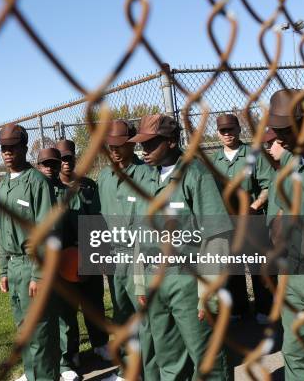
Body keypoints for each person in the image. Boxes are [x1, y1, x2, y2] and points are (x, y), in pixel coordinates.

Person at [130, 114, 230, 380]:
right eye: (142, 144)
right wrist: (141, 282)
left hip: (187, 279)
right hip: (154, 279)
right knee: (168, 358)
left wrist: (207, 292)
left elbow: (216, 236)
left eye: (152, 143)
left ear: (172, 142)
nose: (144, 150)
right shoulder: (147, 176)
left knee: (206, 357)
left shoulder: (194, 174)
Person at [266, 89, 304, 380]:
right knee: (295, 353)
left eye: (285, 130)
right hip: (292, 275)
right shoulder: (291, 161)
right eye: (275, 130)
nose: (279, 139)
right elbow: (278, 212)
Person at [94, 120, 160, 381]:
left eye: (120, 145)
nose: (114, 151)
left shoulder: (146, 175)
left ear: (131, 144)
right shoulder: (104, 178)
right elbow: (100, 218)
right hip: (115, 256)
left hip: (141, 255)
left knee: (144, 317)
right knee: (121, 314)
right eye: (110, 146)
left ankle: (148, 372)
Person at [0, 123, 60, 381]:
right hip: (13, 266)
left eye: (13, 147)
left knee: (40, 332)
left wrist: (39, 274)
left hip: (32, 265)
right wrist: (3, 269)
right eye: (4, 148)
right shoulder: (3, 186)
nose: (7, 152)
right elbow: (1, 231)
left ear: (23, 147)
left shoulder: (38, 183)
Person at [210, 114, 275, 322]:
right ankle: (238, 308)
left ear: (239, 130)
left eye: (231, 129)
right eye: (223, 131)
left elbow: (268, 186)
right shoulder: (214, 160)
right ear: (218, 134)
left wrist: (255, 206)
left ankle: (264, 308)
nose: (227, 134)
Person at [55, 139, 111, 368]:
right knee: (67, 309)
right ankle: (70, 352)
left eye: (70, 158)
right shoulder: (51, 188)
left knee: (94, 301)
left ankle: (100, 343)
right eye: (62, 159)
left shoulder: (88, 185)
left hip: (89, 252)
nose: (67, 163)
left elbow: (99, 219)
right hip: (64, 257)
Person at [36, 147, 80, 381]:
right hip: (36, 262)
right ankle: (40, 363)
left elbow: (74, 227)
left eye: (54, 164)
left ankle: (65, 361)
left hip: (62, 260)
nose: (50, 168)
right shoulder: (33, 187)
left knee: (65, 314)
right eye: (46, 164)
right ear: (38, 165)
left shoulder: (65, 193)